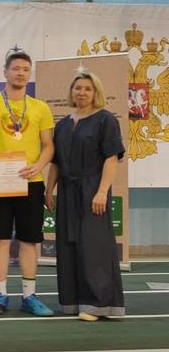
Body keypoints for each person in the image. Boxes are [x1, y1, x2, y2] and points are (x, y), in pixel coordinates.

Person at [0, 51, 55, 317]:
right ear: (5, 72)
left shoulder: (40, 107)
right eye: (16, 69)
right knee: (1, 239)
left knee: (29, 240)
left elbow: (49, 145)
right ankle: (0, 294)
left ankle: (29, 295)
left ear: (29, 74)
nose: (20, 73)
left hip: (30, 181)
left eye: (25, 69)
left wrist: (39, 165)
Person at [46, 72, 125, 321]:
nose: (81, 92)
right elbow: (56, 162)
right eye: (78, 88)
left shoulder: (105, 120)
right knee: (67, 246)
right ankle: (72, 301)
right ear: (71, 92)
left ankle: (98, 304)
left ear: (95, 93)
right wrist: (49, 190)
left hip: (93, 189)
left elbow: (111, 158)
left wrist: (102, 191)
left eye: (87, 89)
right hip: (67, 191)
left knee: (94, 247)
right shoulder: (63, 124)